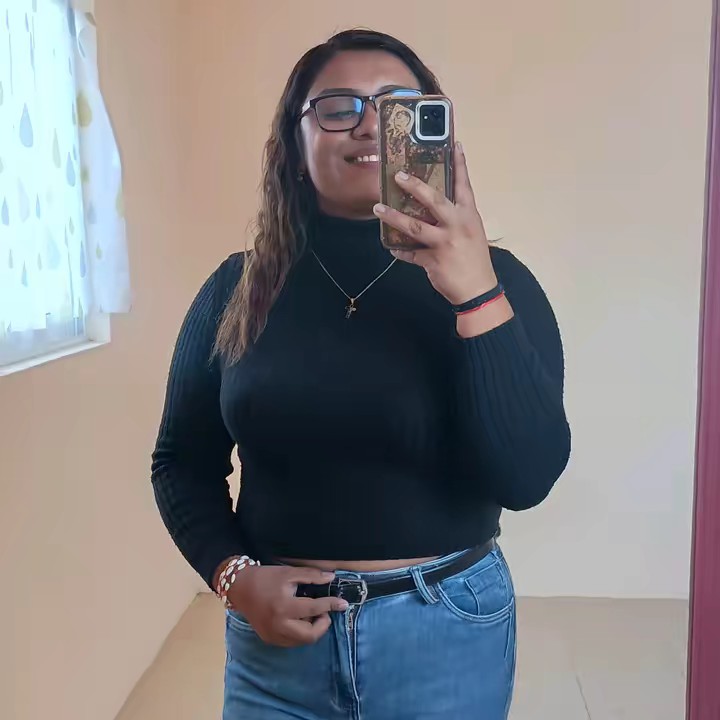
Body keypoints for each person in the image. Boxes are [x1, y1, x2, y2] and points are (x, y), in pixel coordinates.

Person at [151, 28, 571, 720]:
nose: (371, 124)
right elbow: (180, 462)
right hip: (274, 648)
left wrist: (474, 293)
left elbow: (527, 478)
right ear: (295, 144)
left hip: (446, 630)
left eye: (399, 105)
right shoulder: (238, 288)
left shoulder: (501, 281)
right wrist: (234, 579)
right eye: (338, 107)